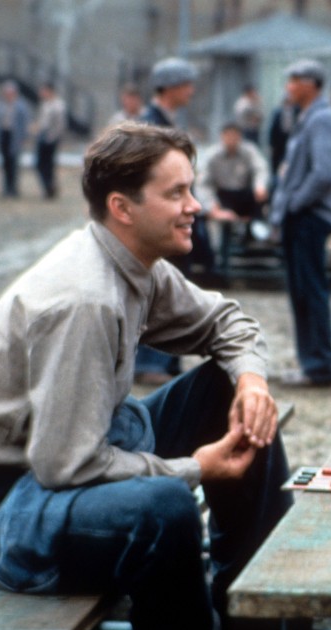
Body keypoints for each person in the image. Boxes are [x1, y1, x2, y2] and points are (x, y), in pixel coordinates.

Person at [0, 122, 292, 630]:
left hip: (88, 447)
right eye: (175, 193)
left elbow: (226, 321)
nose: (195, 206)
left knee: (234, 396)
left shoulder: (135, 262)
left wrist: (251, 382)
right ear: (122, 208)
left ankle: (259, 621)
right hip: (13, 508)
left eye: (191, 189)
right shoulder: (86, 301)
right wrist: (193, 469)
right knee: (166, 507)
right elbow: (66, 466)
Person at [136, 57, 217, 385]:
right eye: (186, 85)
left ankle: (167, 361)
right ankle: (150, 361)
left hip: (175, 217)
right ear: (170, 88)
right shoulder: (148, 125)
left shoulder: (164, 122)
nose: (191, 91)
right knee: (156, 290)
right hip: (161, 219)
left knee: (173, 290)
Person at [270, 59, 331, 387]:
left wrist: (295, 203)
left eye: (294, 80)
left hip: (309, 218)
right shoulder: (307, 118)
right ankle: (311, 364)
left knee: (310, 291)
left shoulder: (322, 119)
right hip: (299, 218)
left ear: (311, 84)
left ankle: (320, 367)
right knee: (301, 292)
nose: (289, 87)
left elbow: (324, 173)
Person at [200, 121, 269, 232]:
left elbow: (261, 168)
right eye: (228, 136)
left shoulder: (249, 151)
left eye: (235, 136)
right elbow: (203, 183)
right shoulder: (212, 156)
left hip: (245, 195)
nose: (232, 140)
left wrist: (260, 185)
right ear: (222, 136)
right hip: (222, 196)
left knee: (262, 202)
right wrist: (211, 205)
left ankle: (258, 234)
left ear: (240, 137)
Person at [0, 80, 30, 198]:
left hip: (14, 137)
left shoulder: (21, 106)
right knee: (5, 163)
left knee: (13, 164)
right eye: (6, 92)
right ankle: (6, 188)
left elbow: (24, 124)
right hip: (4, 135)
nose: (8, 95)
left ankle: (13, 189)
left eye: (10, 92)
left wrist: (23, 138)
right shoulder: (1, 106)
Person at [33, 82, 67, 199]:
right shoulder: (45, 105)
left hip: (51, 138)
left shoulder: (58, 105)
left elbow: (60, 125)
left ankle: (50, 188)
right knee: (40, 164)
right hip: (42, 137)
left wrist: (52, 138)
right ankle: (48, 186)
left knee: (48, 165)